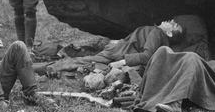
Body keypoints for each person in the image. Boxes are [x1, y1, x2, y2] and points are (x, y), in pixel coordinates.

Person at [40, 20, 186, 74]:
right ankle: (49, 60)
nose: (172, 21)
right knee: (84, 55)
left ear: (170, 33)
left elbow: (146, 56)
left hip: (119, 51)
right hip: (119, 48)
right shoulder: (160, 37)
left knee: (83, 59)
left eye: (174, 25)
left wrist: (122, 61)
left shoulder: (157, 32)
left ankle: (47, 66)